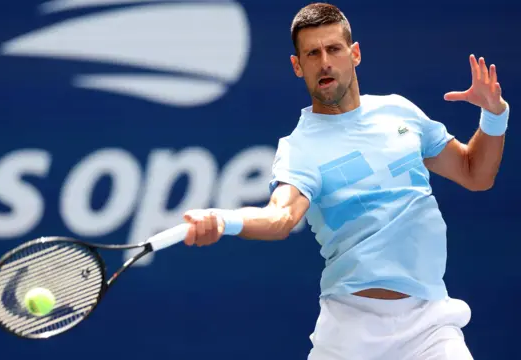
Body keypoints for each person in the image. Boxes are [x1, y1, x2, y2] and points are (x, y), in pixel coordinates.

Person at [181, 3, 509, 360]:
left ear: (354, 54)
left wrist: (494, 115)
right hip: (349, 333)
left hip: (430, 324)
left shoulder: (400, 112)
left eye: (333, 49)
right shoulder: (299, 149)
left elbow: (476, 174)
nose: (324, 62)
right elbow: (279, 219)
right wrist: (223, 220)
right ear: (297, 66)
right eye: (312, 53)